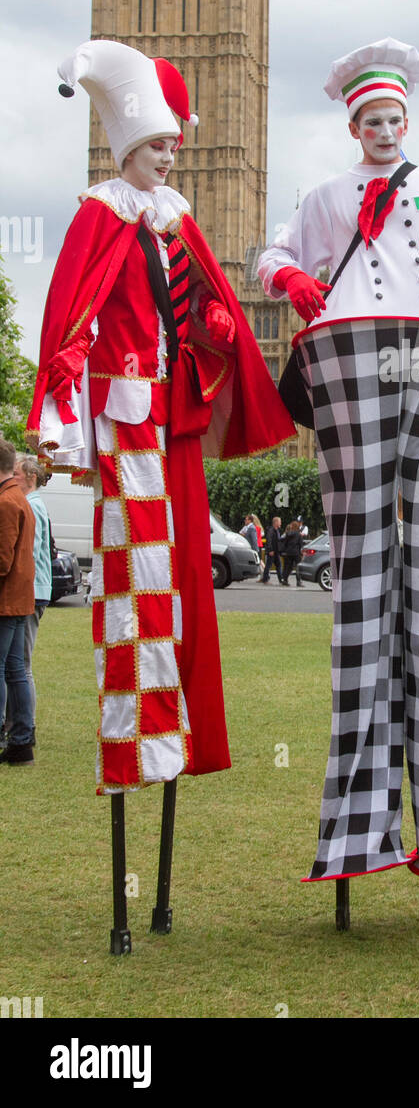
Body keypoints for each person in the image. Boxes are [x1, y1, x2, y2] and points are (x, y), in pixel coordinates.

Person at [258, 37, 419, 884]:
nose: (383, 130)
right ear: (353, 126)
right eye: (371, 119)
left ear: (407, 122)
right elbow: (275, 254)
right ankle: (358, 828)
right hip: (358, 354)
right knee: (363, 578)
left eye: (394, 119)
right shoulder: (328, 197)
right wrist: (290, 284)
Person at [27, 39, 294, 795]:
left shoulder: (177, 219)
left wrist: (214, 318)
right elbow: (71, 313)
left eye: (175, 147)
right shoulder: (101, 215)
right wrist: (60, 395)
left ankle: (180, 735)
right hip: (128, 414)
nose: (170, 158)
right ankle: (135, 743)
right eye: (158, 147)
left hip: (172, 417)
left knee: (181, 579)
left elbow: (207, 318)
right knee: (139, 573)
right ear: (129, 149)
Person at [10, 456, 52, 747]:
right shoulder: (33, 504)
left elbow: (32, 553)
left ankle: (26, 726)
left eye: (16, 474)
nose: (12, 479)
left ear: (31, 478)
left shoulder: (32, 506)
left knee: (22, 664)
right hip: (35, 589)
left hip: (32, 591)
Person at [0, 437, 36, 765]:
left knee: (6, 668)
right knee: (15, 669)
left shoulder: (6, 502)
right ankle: (22, 741)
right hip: (19, 598)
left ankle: (17, 736)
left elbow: (2, 560)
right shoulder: (18, 497)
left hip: (6, 599)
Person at [280, 520, 303, 588]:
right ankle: (298, 581)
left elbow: (285, 543)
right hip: (296, 553)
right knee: (298, 567)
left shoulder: (288, 534)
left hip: (288, 552)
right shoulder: (299, 534)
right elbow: (300, 544)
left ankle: (285, 580)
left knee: (288, 567)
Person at [262, 516, 284, 584]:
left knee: (278, 565)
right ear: (275, 522)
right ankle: (265, 579)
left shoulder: (277, 530)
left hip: (276, 551)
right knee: (269, 565)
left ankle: (281, 580)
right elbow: (269, 540)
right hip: (272, 551)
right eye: (279, 522)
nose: (280, 523)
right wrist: (270, 550)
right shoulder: (271, 530)